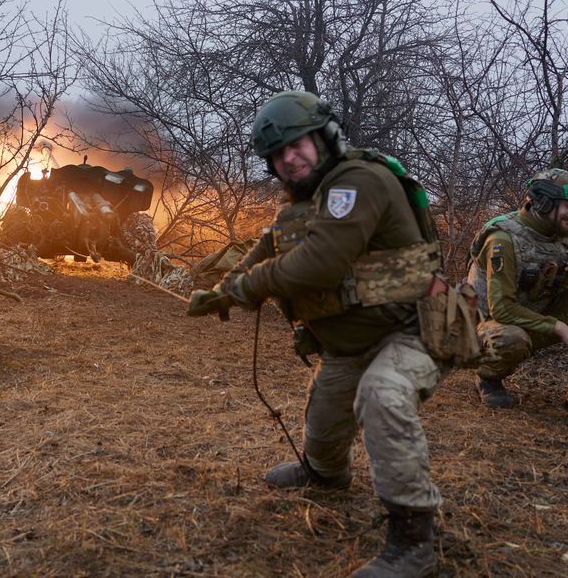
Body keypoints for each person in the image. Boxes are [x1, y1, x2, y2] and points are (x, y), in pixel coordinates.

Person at [189, 91, 445, 578]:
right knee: (324, 425)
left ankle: (414, 541)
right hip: (349, 344)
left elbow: (321, 264)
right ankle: (327, 476)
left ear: (324, 135)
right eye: (278, 154)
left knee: (383, 394)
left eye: (297, 144)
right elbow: (266, 249)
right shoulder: (303, 204)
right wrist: (223, 293)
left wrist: (248, 287)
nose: (289, 158)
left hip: (412, 329)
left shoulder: (358, 180)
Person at [468, 168, 568, 417]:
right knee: (511, 339)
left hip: (535, 317)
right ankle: (488, 378)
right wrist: (559, 327)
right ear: (543, 203)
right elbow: (502, 309)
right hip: (491, 327)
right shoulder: (503, 238)